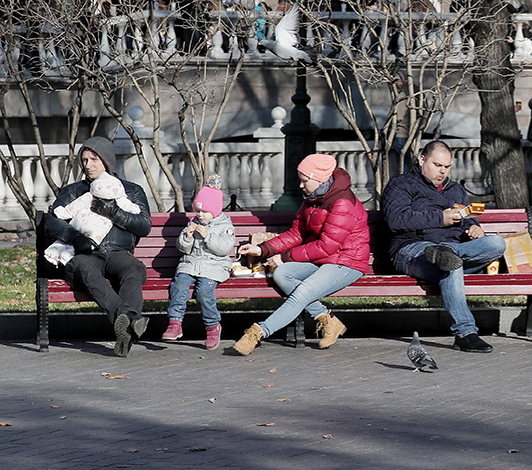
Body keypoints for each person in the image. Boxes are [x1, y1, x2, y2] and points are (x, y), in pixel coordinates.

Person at [232, 154, 369, 355]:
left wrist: (284, 257)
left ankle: (258, 332)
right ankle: (328, 320)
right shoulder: (313, 199)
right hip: (325, 258)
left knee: (302, 292)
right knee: (282, 274)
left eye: (305, 180)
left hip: (347, 261)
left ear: (320, 179)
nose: (301, 185)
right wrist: (262, 249)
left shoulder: (342, 203)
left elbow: (326, 247)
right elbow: (298, 233)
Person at [381, 140, 507, 354]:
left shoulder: (455, 190)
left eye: (447, 167)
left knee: (496, 243)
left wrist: (473, 227)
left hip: (452, 247)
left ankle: (447, 255)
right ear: (422, 159)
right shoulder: (401, 184)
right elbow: (396, 219)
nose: (442, 171)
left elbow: (465, 216)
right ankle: (466, 333)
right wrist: (440, 218)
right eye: (437, 165)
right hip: (412, 249)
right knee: (450, 264)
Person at [43, 137, 152, 357]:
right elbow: (53, 220)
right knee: (85, 268)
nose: (88, 165)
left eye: (94, 159)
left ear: (107, 161)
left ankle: (125, 323)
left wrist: (115, 213)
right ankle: (129, 318)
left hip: (118, 254)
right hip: (85, 254)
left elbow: (144, 225)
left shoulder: (130, 190)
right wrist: (74, 237)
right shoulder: (74, 191)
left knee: (134, 269)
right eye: (84, 160)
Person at [164, 175, 235, 350]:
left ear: (216, 210)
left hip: (214, 266)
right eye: (198, 211)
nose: (200, 215)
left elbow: (224, 249)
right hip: (190, 263)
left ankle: (212, 326)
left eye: (204, 211)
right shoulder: (193, 223)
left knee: (203, 291)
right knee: (179, 285)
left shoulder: (224, 225)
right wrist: (187, 237)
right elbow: (182, 248)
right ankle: (175, 323)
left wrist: (208, 236)